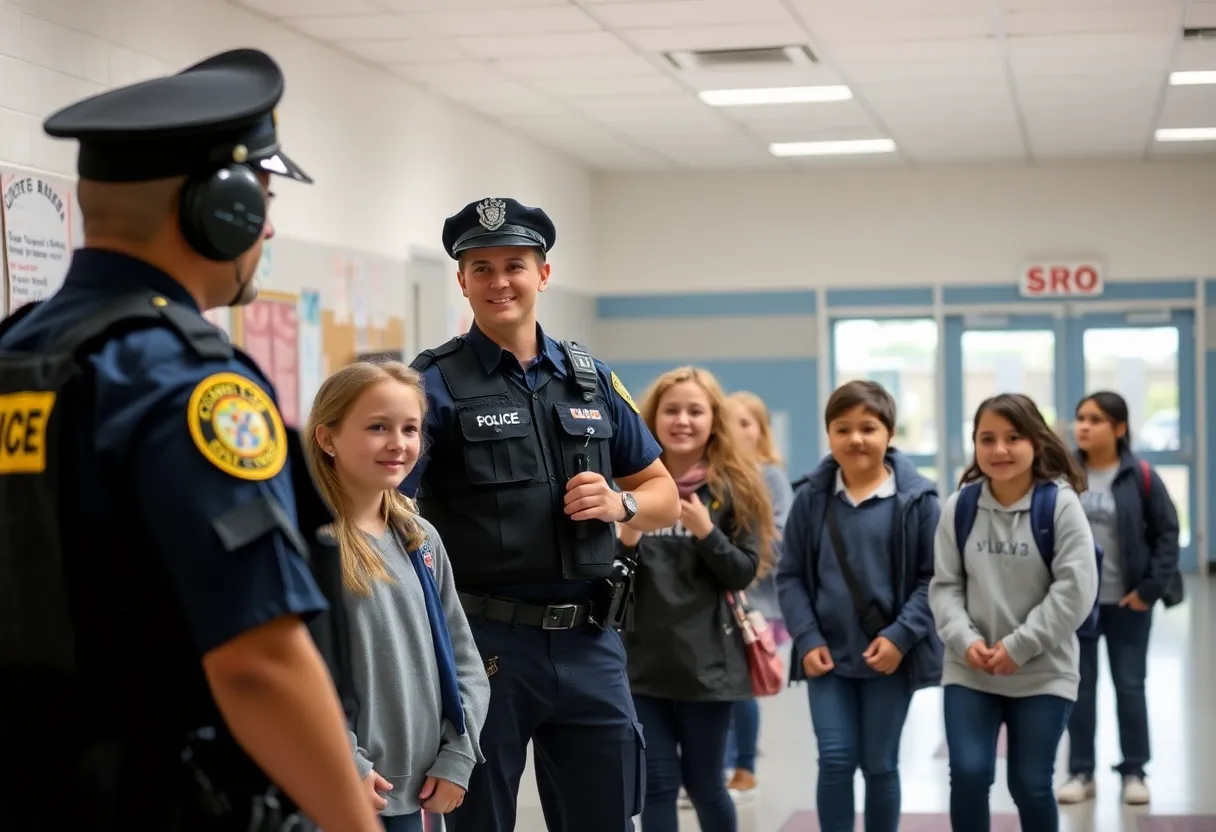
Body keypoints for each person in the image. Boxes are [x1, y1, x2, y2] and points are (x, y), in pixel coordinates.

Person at [0, 49, 380, 832]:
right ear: (222, 208)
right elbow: (258, 660)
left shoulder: (20, 351)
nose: (268, 225)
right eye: (263, 199)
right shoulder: (183, 380)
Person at [402, 196, 681, 832]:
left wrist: (622, 503)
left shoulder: (590, 379)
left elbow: (661, 491)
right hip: (484, 644)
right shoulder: (430, 384)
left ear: (543, 274)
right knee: (479, 820)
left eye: (515, 266)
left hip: (591, 639)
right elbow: (394, 508)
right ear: (462, 281)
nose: (499, 281)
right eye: (482, 268)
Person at [304, 360, 491, 832]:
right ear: (327, 438)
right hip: (337, 789)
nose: (398, 443)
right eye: (377, 427)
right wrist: (347, 764)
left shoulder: (419, 539)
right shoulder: (308, 544)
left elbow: (465, 661)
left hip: (414, 794)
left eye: (410, 429)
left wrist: (459, 755)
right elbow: (297, 675)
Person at [775, 380, 942, 832]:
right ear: (829, 434)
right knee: (834, 760)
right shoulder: (811, 498)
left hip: (890, 659)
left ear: (890, 433)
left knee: (880, 764)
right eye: (842, 428)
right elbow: (790, 575)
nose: (855, 439)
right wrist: (807, 638)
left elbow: (934, 580)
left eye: (868, 428)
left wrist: (900, 637)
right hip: (826, 658)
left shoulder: (919, 501)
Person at [929, 393, 1100, 832]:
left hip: (1043, 670)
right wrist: (966, 641)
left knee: (1030, 784)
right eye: (987, 439)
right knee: (968, 774)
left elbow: (1075, 590)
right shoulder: (959, 507)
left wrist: (1019, 646)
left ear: (1036, 442)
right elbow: (945, 586)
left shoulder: (1060, 505)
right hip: (971, 669)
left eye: (1013, 437)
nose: (1000, 449)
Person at [619, 366, 775, 832]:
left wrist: (707, 533)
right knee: (658, 785)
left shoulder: (736, 487)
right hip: (642, 663)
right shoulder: (630, 486)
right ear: (653, 417)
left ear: (714, 420)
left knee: (706, 785)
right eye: (672, 410)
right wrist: (625, 542)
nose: (682, 420)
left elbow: (743, 571)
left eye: (695, 411)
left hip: (710, 666)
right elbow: (608, 582)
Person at [1055, 391, 1180, 807]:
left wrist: (1148, 591)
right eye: (1080, 418)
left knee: (1129, 687)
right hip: (1078, 607)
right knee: (1079, 689)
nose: (1083, 427)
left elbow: (1167, 533)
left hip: (1128, 603)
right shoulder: (1063, 474)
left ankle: (1134, 771)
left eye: (1095, 420)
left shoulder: (1140, 476)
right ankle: (1081, 771)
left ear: (1119, 428)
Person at [721, 390, 794, 794]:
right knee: (721, 684)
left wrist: (737, 554)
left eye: (745, 422)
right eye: (729, 422)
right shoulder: (717, 475)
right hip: (720, 597)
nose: (736, 430)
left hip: (757, 602)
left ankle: (743, 766)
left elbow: (780, 538)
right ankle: (723, 763)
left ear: (761, 431)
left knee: (742, 684)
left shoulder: (770, 476)